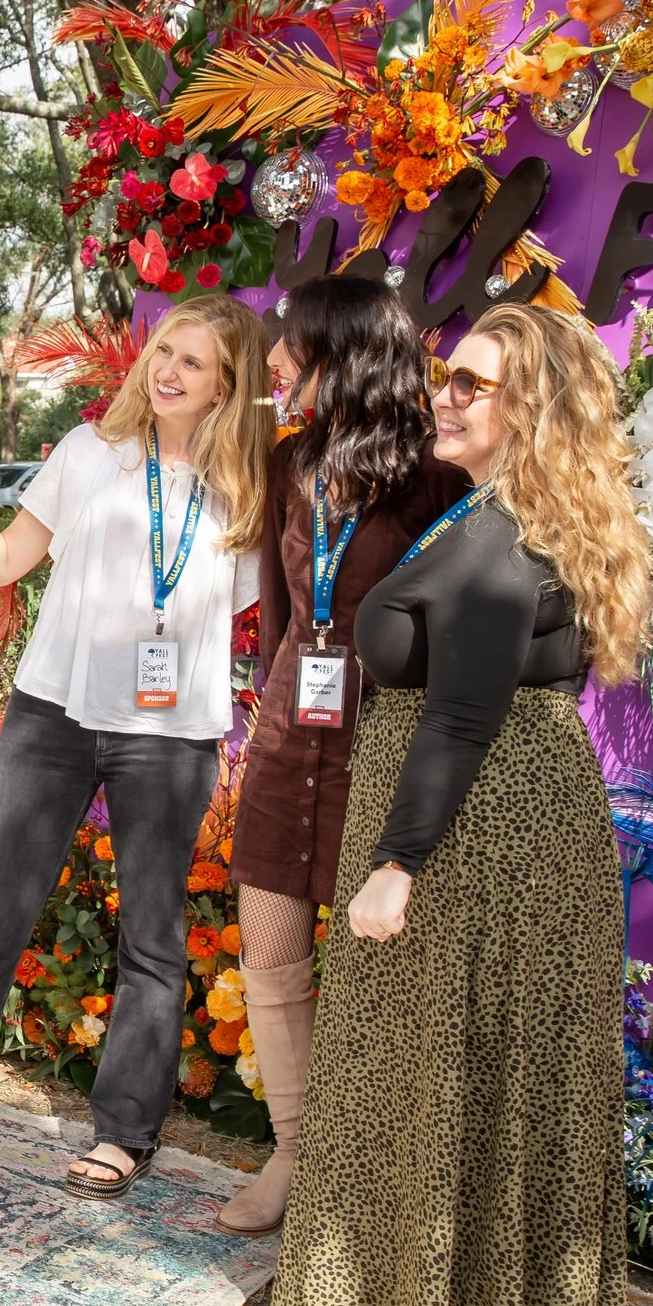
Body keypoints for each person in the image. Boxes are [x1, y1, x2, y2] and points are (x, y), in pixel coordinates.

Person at [268, 303, 653, 1306]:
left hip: (475, 829)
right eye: (449, 374)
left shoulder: (496, 539)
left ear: (526, 408)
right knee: (487, 1065)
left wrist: (396, 865)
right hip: (513, 816)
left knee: (450, 1061)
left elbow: (460, 715)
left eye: (471, 384)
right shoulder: (513, 514)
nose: (446, 393)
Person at [0, 292, 273, 1196]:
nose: (167, 371)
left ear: (228, 384)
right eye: (163, 352)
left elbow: (248, 606)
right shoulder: (89, 452)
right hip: (52, 712)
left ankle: (125, 1132)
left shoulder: (248, 491)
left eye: (192, 362)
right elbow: (2, 566)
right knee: (0, 910)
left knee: (152, 933)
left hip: (170, 734)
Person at [216, 277, 469, 1235]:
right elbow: (285, 614)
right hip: (288, 743)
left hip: (385, 751)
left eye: (294, 346)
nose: (275, 364)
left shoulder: (440, 481)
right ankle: (294, 1152)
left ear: (347, 353)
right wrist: (267, 712)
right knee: (271, 952)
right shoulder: (291, 464)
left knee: (375, 975)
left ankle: (361, 1179)